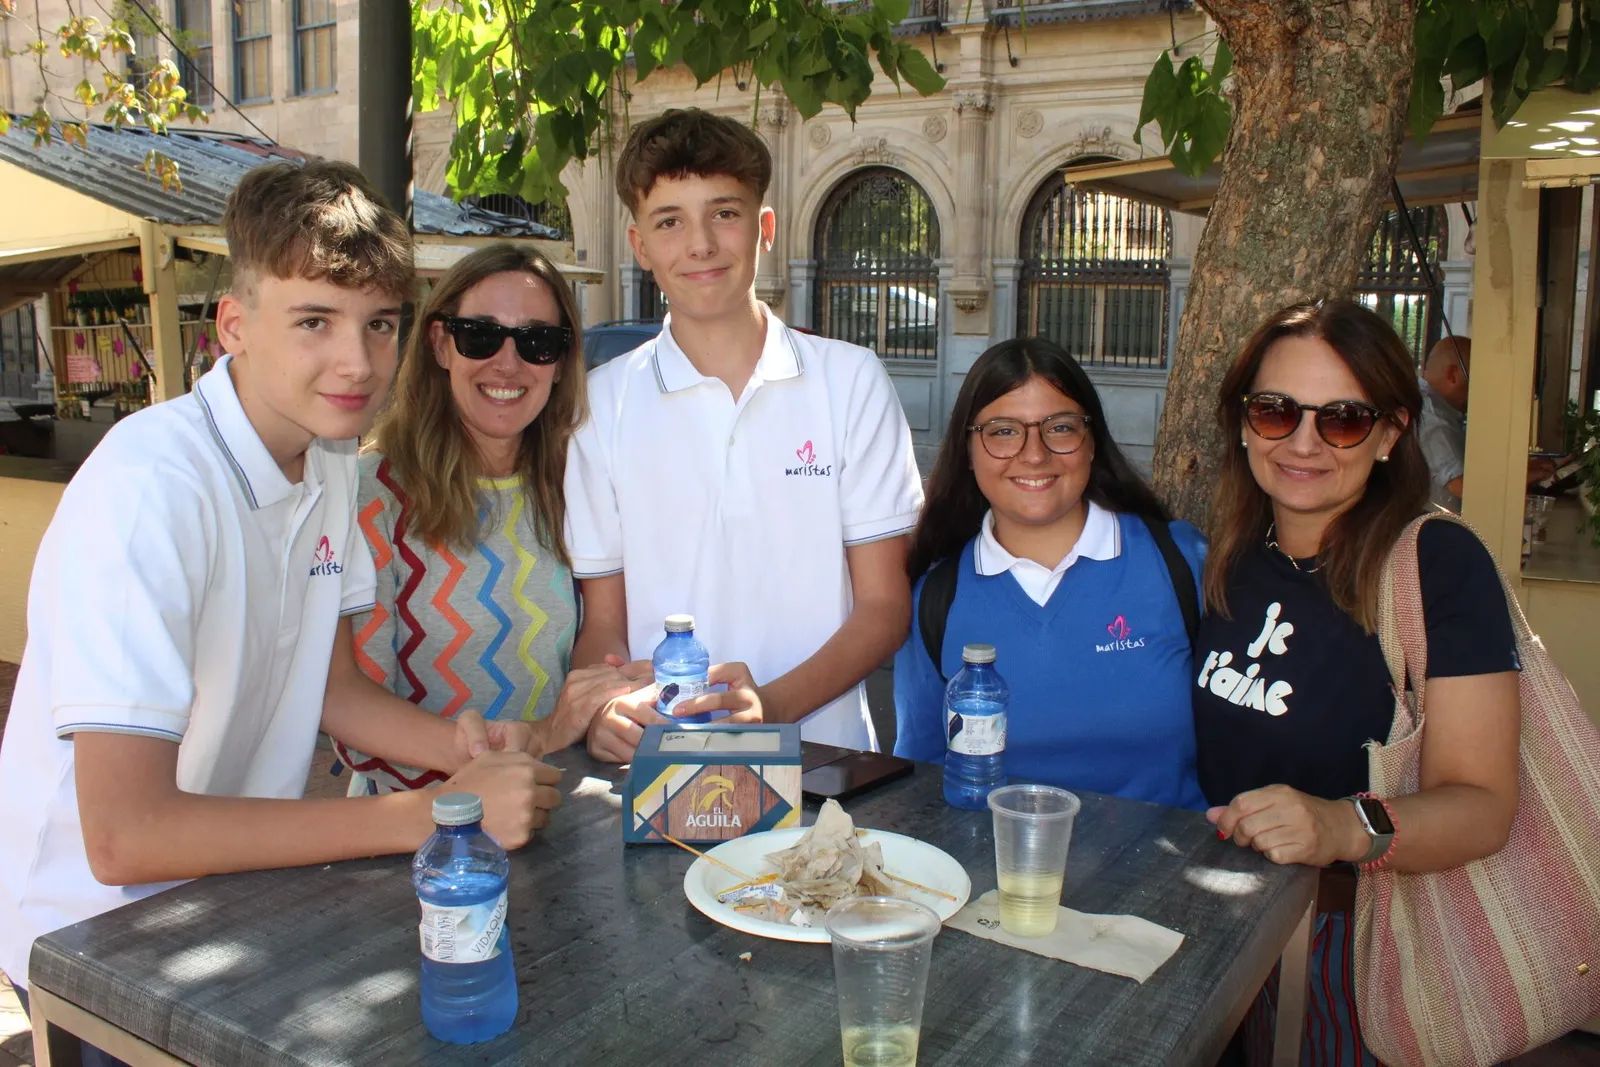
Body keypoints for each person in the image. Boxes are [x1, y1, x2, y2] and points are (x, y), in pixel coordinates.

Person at [0, 162, 562, 1013]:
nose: (357, 361)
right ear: (234, 324)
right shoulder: (149, 489)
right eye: (313, 320)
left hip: (230, 909)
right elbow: (124, 834)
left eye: (379, 324)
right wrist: (429, 814)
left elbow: (329, 685)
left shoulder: (329, 455)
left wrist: (468, 750)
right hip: (91, 945)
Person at [1196, 299, 1520, 1064]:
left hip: (1362, 948)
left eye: (1341, 418)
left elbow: (1483, 805)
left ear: (1390, 432)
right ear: (1244, 421)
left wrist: (1343, 827)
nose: (1303, 442)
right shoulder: (1234, 554)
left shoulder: (1438, 564)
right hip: (1230, 929)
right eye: (1276, 411)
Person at [564, 108, 924, 759]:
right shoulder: (601, 403)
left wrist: (769, 712)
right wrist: (605, 708)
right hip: (661, 767)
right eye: (670, 220)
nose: (699, 243)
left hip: (823, 761)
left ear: (764, 229)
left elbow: (883, 607)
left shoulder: (850, 382)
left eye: (724, 213)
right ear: (639, 244)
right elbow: (604, 625)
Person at [333, 243, 643, 795]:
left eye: (537, 342)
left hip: (560, 809)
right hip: (422, 829)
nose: (508, 362)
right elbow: (354, 713)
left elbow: (598, 640)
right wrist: (540, 736)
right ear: (440, 344)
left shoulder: (576, 480)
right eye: (480, 334)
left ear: (561, 361)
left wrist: (602, 711)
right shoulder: (371, 494)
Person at [893, 337, 1208, 808]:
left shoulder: (1182, 562)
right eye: (1003, 431)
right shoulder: (935, 597)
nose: (1034, 454)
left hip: (1171, 874)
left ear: (1092, 440)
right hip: (1000, 875)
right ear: (968, 448)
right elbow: (920, 777)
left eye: (1060, 428)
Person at [1417, 334, 1555, 510]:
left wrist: (1523, 469)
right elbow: (1463, 486)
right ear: (1452, 375)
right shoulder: (1431, 415)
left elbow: (1470, 471)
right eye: (1480, 383)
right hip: (1428, 532)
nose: (1483, 394)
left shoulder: (1441, 409)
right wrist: (1523, 479)